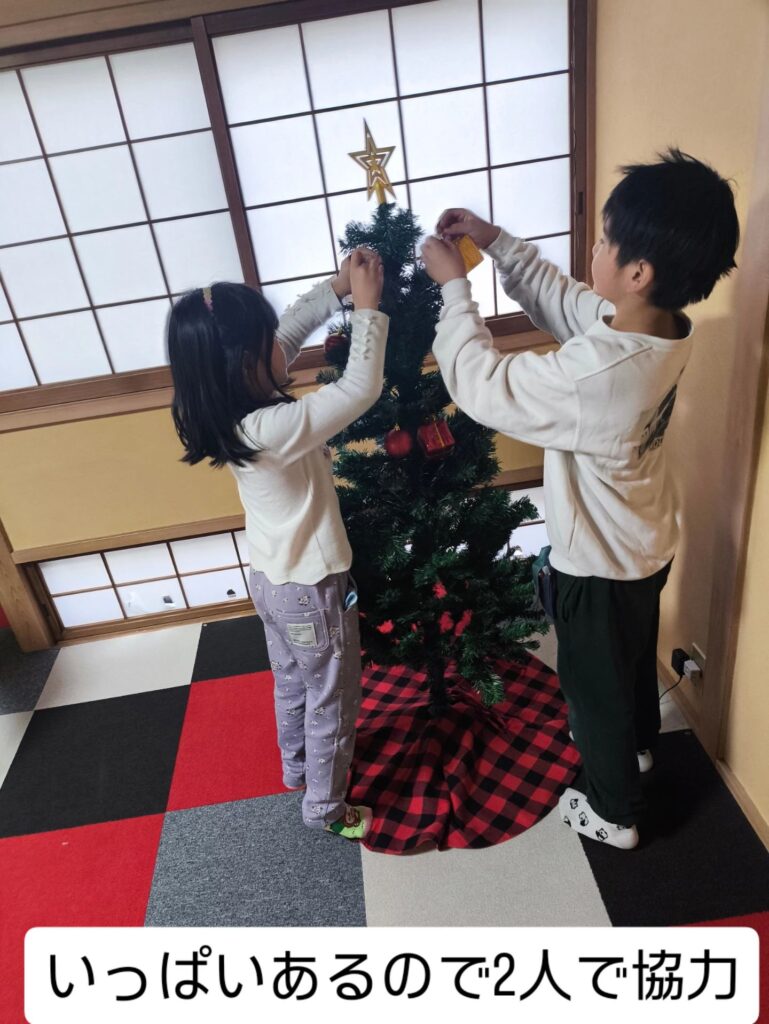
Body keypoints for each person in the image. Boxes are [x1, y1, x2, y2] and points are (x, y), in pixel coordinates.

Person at [420, 149, 739, 849]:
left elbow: (481, 385)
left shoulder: (597, 375)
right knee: (630, 662)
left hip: (595, 565)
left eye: (602, 240)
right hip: (644, 543)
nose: (592, 250)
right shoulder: (656, 328)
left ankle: (613, 814)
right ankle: (638, 747)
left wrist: (454, 290)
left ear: (637, 273)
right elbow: (568, 303)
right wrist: (495, 242)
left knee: (590, 690)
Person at [167, 247, 388, 840]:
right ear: (246, 362)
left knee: (292, 681)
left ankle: (297, 768)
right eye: (268, 342)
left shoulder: (233, 409)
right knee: (333, 698)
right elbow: (359, 389)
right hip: (313, 590)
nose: (281, 347)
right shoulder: (272, 427)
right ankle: (327, 808)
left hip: (271, 583)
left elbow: (286, 331)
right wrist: (368, 310)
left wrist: (336, 289)